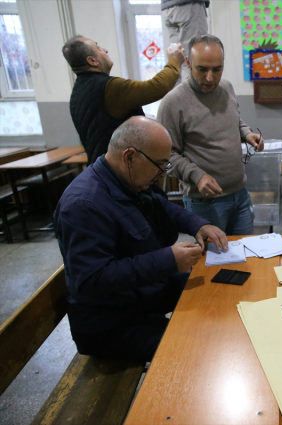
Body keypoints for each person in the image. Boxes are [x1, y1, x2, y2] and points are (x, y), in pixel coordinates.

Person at [53, 116, 228, 362]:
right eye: (159, 165)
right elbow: (92, 280)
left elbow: (164, 207)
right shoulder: (84, 205)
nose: (161, 173)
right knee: (197, 348)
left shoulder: (128, 181)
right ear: (130, 156)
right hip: (112, 324)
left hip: (141, 297)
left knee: (217, 292)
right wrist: (168, 260)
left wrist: (199, 224)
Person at [158, 34, 263, 235]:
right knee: (212, 264)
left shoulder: (226, 88)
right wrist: (196, 176)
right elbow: (165, 157)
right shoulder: (173, 103)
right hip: (204, 204)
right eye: (202, 69)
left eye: (217, 70)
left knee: (246, 257)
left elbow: (234, 120)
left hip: (240, 195)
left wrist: (247, 134)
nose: (210, 78)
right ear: (188, 63)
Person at [62, 35, 185, 164]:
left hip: (100, 170)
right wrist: (174, 61)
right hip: (120, 171)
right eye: (99, 49)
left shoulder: (77, 92)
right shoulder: (108, 87)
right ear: (92, 61)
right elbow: (158, 86)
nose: (105, 50)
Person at [161, 0, 209, 81]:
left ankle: (177, 93)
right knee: (194, 60)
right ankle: (192, 93)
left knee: (177, 60)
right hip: (189, 6)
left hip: (168, 8)